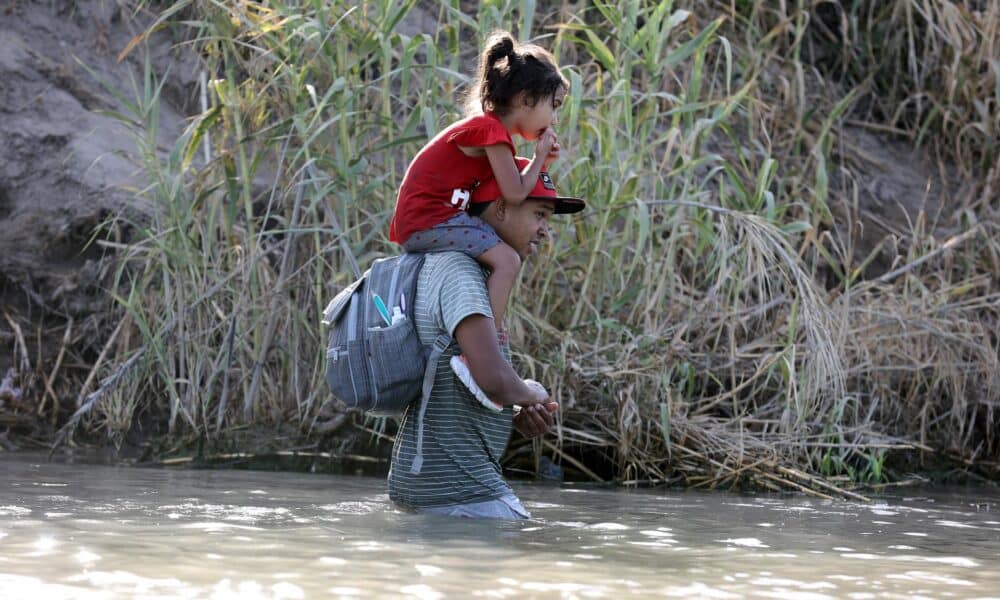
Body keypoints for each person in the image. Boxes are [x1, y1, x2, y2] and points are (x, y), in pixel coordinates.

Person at [388, 164, 585, 520]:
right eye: (539, 215)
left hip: (433, 484)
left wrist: (515, 411)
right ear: (501, 209)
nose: (545, 231)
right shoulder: (460, 272)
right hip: (457, 487)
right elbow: (491, 376)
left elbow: (459, 380)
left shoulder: (473, 273)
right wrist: (534, 394)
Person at [388, 30, 569, 408]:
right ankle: (488, 344)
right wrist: (537, 159)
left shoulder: (489, 132)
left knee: (500, 256)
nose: (554, 118)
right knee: (507, 258)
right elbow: (516, 195)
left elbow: (508, 191)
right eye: (554, 105)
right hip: (428, 218)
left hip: (428, 218)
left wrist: (541, 164)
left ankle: (487, 339)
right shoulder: (490, 131)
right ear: (525, 99)